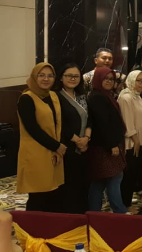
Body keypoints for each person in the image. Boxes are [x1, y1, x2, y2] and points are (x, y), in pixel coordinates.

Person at [16, 63, 65, 212]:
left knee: (52, 192)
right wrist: (56, 146)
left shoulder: (53, 96)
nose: (46, 79)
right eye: (41, 75)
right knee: (38, 194)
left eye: (50, 76)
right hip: (35, 152)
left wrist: (56, 146)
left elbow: (56, 123)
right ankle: (32, 225)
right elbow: (33, 129)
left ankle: (48, 224)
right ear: (34, 77)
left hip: (52, 151)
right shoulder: (26, 98)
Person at [86, 67, 127, 214]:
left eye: (111, 79)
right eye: (106, 78)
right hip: (104, 147)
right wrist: (112, 145)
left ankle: (94, 213)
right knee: (114, 178)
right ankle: (119, 211)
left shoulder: (105, 95)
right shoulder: (97, 97)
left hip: (104, 145)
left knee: (100, 181)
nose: (109, 81)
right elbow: (103, 123)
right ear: (98, 79)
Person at [55, 63, 91, 214]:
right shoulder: (56, 97)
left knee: (83, 184)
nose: (72, 79)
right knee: (69, 185)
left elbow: (90, 119)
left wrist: (86, 138)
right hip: (67, 148)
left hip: (85, 147)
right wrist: (77, 140)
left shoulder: (82, 96)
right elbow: (59, 123)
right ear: (61, 78)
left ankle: (82, 216)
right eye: (69, 75)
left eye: (76, 76)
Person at [117, 70, 142, 214]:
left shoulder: (137, 96)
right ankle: (125, 205)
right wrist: (135, 139)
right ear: (131, 80)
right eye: (138, 80)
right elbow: (126, 122)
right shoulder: (126, 98)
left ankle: (126, 200)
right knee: (128, 175)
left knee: (134, 173)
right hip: (130, 143)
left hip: (138, 141)